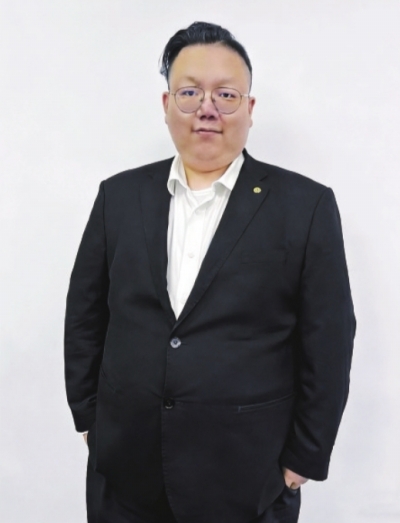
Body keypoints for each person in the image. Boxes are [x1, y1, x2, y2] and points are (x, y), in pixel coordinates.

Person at [64, 21, 356, 523]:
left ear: (249, 108)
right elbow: (85, 316)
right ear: (166, 104)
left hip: (248, 478)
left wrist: (303, 459)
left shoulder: (305, 206)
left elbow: (329, 339)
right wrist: (90, 418)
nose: (207, 108)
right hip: (126, 473)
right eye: (189, 93)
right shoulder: (119, 197)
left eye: (225, 94)